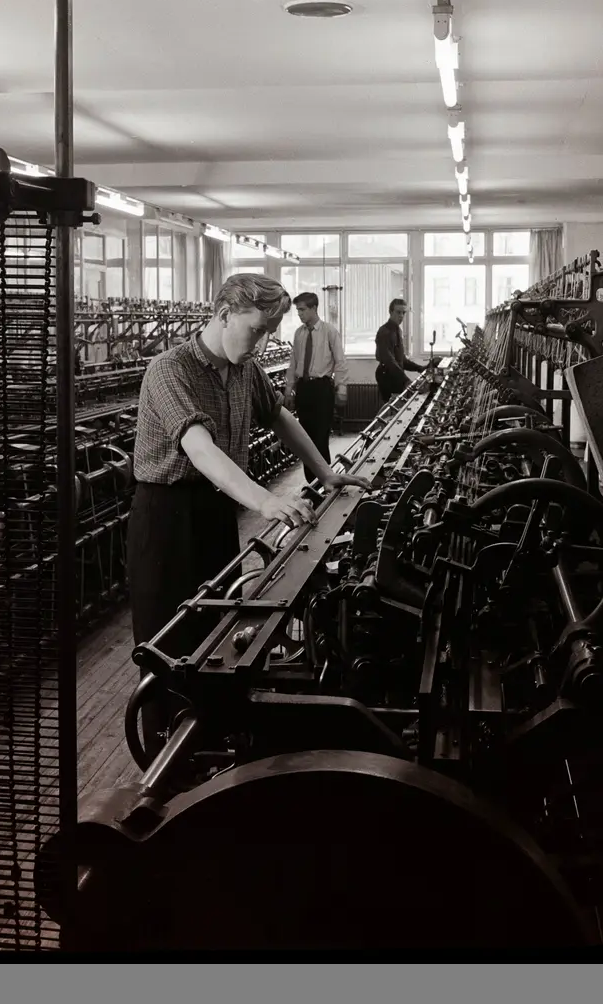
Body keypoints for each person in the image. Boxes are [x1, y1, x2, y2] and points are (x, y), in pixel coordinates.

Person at [126, 273, 373, 759]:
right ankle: (162, 759)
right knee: (167, 645)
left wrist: (325, 473)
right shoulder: (170, 369)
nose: (261, 343)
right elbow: (199, 448)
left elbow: (279, 416)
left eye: (269, 333)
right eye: (256, 330)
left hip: (216, 510)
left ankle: (211, 750)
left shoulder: (245, 370)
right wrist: (265, 501)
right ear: (224, 315)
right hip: (166, 518)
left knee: (215, 635)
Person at [283, 292, 348, 481]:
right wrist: (289, 390)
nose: (299, 314)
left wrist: (341, 387)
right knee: (305, 440)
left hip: (322, 390)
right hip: (304, 390)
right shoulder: (299, 333)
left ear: (314, 308)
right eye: (298, 310)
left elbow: (340, 362)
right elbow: (293, 363)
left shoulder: (329, 332)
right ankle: (311, 483)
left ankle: (325, 481)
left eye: (302, 310)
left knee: (320, 438)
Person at [374, 298, 428, 402]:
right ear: (390, 312)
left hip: (395, 374)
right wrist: (405, 380)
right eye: (398, 312)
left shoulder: (398, 330)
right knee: (392, 406)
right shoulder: (384, 332)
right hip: (387, 376)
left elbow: (402, 360)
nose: (401, 316)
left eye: (403, 313)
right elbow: (389, 361)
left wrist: (421, 368)